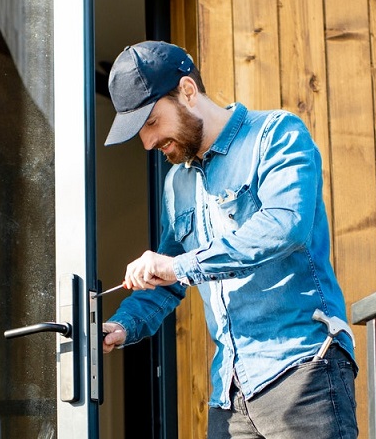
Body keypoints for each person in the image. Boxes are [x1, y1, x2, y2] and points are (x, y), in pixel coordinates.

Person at [101, 40, 358, 439]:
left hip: (302, 369)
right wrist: (123, 324)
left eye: (151, 122)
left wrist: (178, 266)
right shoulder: (178, 184)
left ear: (187, 91)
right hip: (231, 393)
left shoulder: (276, 134)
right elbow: (168, 280)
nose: (148, 143)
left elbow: (284, 225)